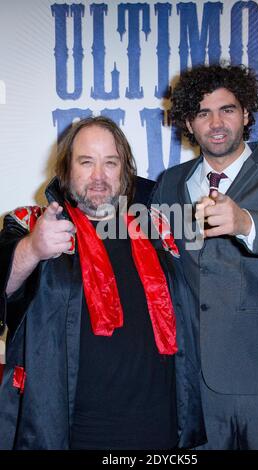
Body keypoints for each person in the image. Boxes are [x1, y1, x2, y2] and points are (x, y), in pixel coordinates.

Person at [0, 116, 181, 450]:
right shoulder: (31, 224)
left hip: (161, 430)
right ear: (66, 170)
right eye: (86, 162)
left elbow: (200, 294)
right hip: (72, 433)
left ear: (125, 170)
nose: (99, 177)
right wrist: (32, 249)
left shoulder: (159, 229)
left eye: (110, 163)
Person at [151, 63, 258, 449]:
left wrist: (246, 222)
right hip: (192, 387)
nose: (216, 122)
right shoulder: (170, 182)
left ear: (246, 114)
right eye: (203, 113)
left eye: (227, 109)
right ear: (189, 122)